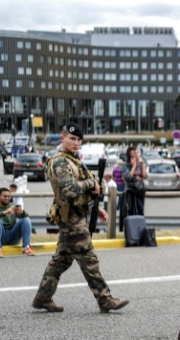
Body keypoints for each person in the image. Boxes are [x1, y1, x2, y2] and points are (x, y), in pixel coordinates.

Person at [32, 122, 128, 313]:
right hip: (71, 219)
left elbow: (85, 190)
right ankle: (105, 299)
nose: (76, 143)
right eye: (72, 139)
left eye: (79, 140)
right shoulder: (60, 161)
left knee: (61, 260)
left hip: (76, 214)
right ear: (63, 138)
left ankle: (43, 297)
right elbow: (69, 190)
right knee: (89, 258)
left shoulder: (73, 160)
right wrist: (91, 183)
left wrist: (95, 206)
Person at [0, 187, 34, 257]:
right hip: (0, 236)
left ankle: (26, 247)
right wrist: (5, 212)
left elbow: (26, 217)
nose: (7, 198)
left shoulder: (13, 205)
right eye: (4, 196)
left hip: (13, 235)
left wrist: (22, 212)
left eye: (9, 196)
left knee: (26, 220)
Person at [123, 146, 145, 215]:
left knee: (141, 209)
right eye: (134, 153)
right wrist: (134, 166)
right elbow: (128, 177)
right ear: (130, 155)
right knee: (130, 209)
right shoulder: (126, 164)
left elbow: (144, 175)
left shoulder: (139, 163)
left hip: (140, 189)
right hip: (131, 189)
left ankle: (140, 221)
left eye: (136, 152)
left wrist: (143, 164)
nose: (136, 154)